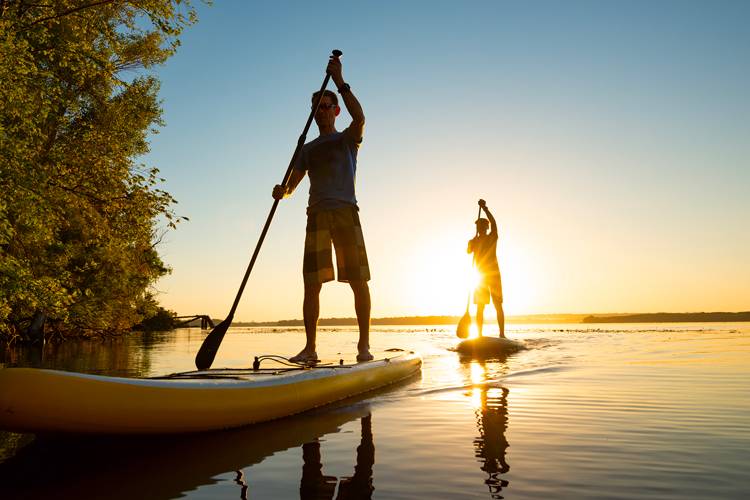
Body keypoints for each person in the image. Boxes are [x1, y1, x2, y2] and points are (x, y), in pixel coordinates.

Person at [273, 55, 373, 363]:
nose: (323, 111)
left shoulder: (348, 139)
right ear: (314, 114)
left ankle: (363, 347)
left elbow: (361, 118)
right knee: (311, 284)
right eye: (318, 108)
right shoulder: (306, 149)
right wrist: (283, 191)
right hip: (316, 215)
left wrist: (340, 81)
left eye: (327, 106)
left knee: (357, 281)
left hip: (345, 212)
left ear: (336, 110)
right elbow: (293, 184)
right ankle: (310, 348)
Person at [467, 199, 505, 338]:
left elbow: (494, 222)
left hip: (493, 275)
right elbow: (468, 251)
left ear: (487, 228)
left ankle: (502, 334)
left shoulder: (492, 237)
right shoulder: (474, 241)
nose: (480, 228)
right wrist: (471, 243)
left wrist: (485, 209)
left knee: (497, 304)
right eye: (478, 227)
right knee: (480, 306)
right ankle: (479, 335)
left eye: (483, 226)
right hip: (479, 276)